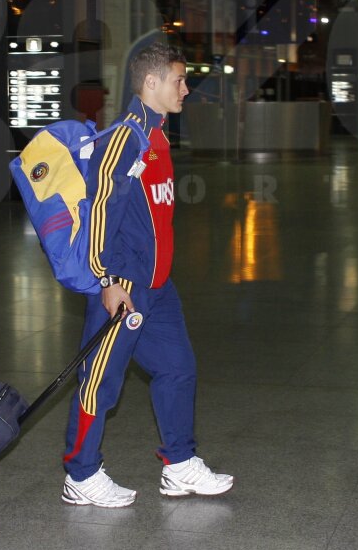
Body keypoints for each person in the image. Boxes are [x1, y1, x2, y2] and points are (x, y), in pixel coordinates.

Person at [60, 41, 233, 508]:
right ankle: (80, 474)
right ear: (151, 83)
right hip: (126, 285)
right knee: (99, 382)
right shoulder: (124, 138)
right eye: (178, 80)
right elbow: (99, 211)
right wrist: (106, 279)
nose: (186, 88)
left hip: (158, 286)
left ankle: (179, 465)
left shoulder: (157, 136)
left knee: (178, 369)